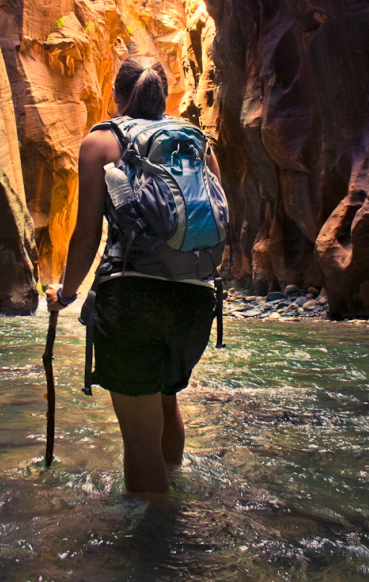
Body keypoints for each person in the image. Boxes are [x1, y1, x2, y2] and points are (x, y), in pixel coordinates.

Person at [46, 54, 222, 496]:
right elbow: (219, 220)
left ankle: (154, 546)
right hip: (196, 300)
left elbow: (86, 235)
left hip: (132, 300)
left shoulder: (100, 143)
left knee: (139, 441)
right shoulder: (196, 142)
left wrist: (65, 294)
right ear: (163, 95)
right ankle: (175, 495)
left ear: (116, 94)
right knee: (167, 400)